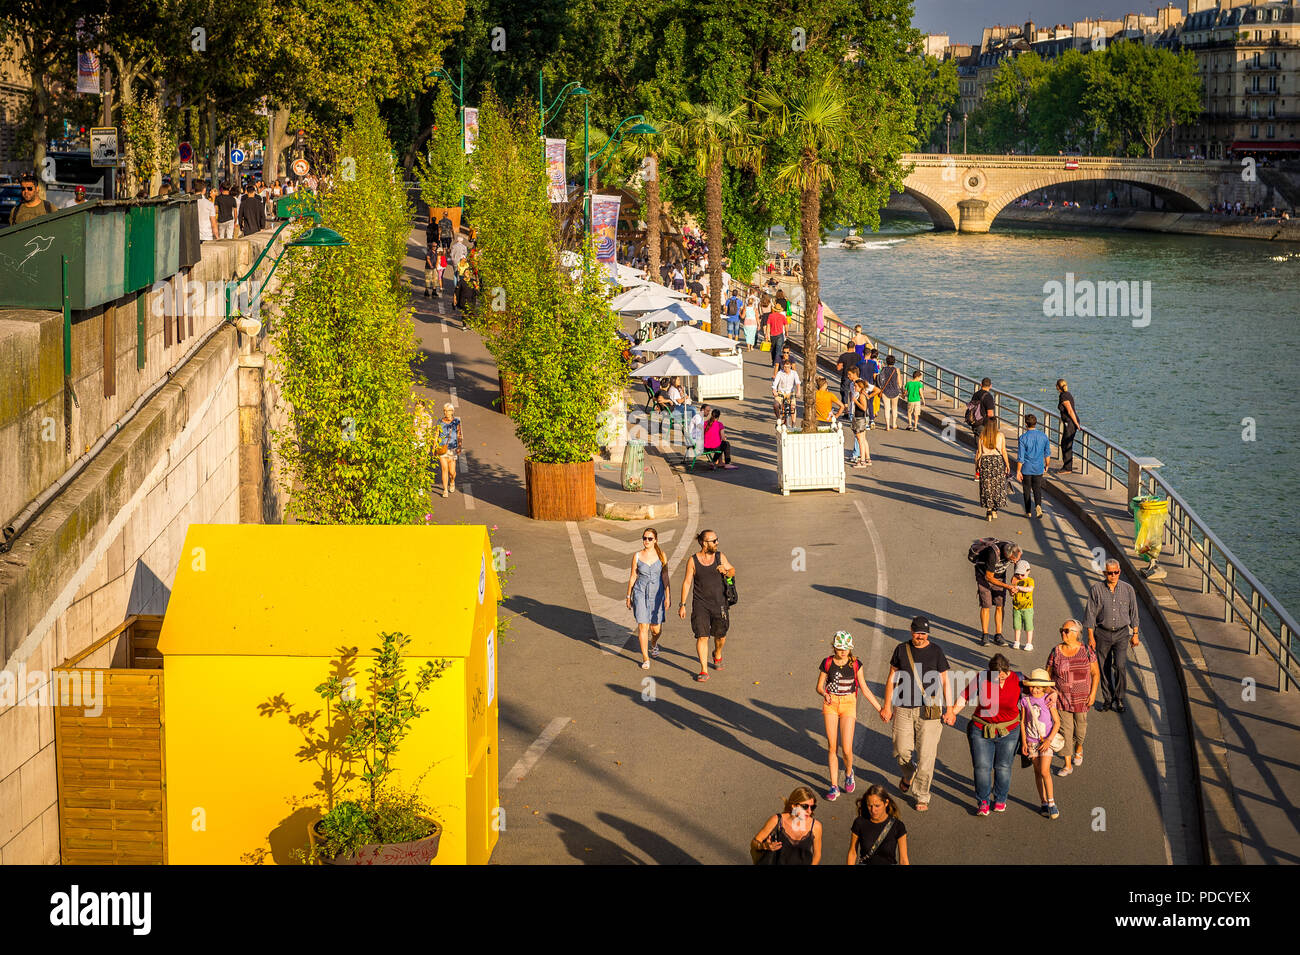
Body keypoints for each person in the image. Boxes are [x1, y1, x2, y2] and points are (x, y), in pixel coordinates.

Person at [879, 616, 955, 812]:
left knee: (926, 756)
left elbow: (946, 681)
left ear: (927, 634)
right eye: (917, 633)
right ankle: (909, 773)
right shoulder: (901, 649)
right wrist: (887, 705)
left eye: (923, 633)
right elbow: (891, 679)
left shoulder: (936, 651)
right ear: (910, 630)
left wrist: (950, 709)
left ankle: (922, 795)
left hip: (929, 711)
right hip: (903, 708)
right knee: (900, 750)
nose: (920, 637)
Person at [816, 631, 883, 801]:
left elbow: (865, 688)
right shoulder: (827, 662)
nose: (843, 651)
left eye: (846, 648)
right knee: (832, 746)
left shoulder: (856, 664)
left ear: (850, 649)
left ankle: (848, 773)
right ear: (834, 647)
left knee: (846, 749)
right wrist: (824, 693)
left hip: (848, 704)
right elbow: (818, 686)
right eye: (840, 648)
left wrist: (880, 708)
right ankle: (833, 786)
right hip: (831, 704)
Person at [954, 653, 1022, 815]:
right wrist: (953, 713)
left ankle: (1000, 799)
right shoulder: (982, 677)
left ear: (1008, 670)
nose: (1000, 679)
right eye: (997, 676)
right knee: (982, 767)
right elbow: (965, 696)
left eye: (1003, 676)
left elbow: (1037, 689)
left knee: (1003, 767)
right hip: (981, 729)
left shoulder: (1018, 678)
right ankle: (983, 801)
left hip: (1009, 730)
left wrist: (1052, 693)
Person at [1082, 558, 1140, 714]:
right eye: (1110, 573)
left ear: (1119, 572)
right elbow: (1090, 615)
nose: (1113, 575)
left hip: (1122, 634)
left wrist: (1135, 634)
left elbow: (1134, 614)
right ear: (1104, 573)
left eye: (1116, 572)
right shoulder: (1096, 590)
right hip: (1102, 634)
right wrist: (1090, 637)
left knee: (1120, 666)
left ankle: (1119, 698)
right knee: (1103, 667)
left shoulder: (1128, 589)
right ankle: (1108, 699)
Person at [678, 529, 736, 682]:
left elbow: (732, 571)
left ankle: (717, 653)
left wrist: (726, 571)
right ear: (704, 543)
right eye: (713, 541)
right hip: (700, 604)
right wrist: (682, 604)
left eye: (717, 540)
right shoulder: (693, 560)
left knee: (720, 636)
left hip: (720, 603)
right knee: (702, 636)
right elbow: (687, 582)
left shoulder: (720, 557)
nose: (717, 543)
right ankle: (703, 670)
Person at [1047, 619, 1099, 776]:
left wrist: (1093, 693)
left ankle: (1079, 747)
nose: (1063, 633)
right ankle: (1067, 764)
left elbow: (1095, 673)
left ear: (1076, 634)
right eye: (1061, 630)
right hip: (1061, 699)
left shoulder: (1087, 651)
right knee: (1065, 730)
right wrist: (1051, 691)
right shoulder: (1055, 651)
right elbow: (1048, 674)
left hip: (1082, 699)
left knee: (1080, 728)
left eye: (1066, 631)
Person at [1020, 668, 1062, 819]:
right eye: (1032, 686)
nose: (1035, 689)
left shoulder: (1048, 700)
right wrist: (1024, 742)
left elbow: (1057, 722)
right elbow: (1023, 722)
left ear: (1044, 688)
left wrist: (1049, 740)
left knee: (1045, 771)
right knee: (1037, 772)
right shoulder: (1025, 701)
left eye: (1038, 687)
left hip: (1046, 741)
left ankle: (1052, 803)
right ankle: (1043, 802)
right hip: (1031, 741)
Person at [626, 527, 671, 669]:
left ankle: (654, 643)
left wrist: (668, 596)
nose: (646, 541)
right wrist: (628, 595)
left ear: (655, 540)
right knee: (643, 626)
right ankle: (645, 658)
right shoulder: (637, 556)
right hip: (640, 593)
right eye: (644, 538)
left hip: (657, 594)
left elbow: (665, 576)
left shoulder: (662, 555)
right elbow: (633, 576)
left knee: (656, 629)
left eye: (649, 538)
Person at [751, 788, 822, 865]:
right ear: (794, 806)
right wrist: (764, 846)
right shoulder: (777, 820)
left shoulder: (815, 826)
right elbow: (755, 842)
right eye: (805, 806)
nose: (809, 811)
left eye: (812, 807)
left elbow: (817, 854)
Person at [973, 539, 1021, 647]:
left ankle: (998, 635)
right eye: (1012, 560)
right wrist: (1008, 587)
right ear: (1007, 555)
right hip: (984, 576)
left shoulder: (1015, 549)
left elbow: (1017, 563)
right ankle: (985, 635)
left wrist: (1014, 580)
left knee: (1000, 605)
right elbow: (989, 577)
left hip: (1000, 576)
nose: (1014, 562)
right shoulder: (993, 554)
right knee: (986, 605)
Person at [847, 785, 909, 865]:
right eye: (870, 806)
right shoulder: (859, 823)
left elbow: (903, 860)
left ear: (886, 803)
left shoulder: (898, 826)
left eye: (877, 806)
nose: (873, 810)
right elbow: (852, 853)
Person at [975, 416, 1010, 521]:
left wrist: (976, 465)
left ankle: (989, 510)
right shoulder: (1000, 435)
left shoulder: (982, 435)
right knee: (997, 486)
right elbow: (1003, 451)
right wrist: (1007, 464)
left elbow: (979, 453)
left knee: (987, 486)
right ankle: (995, 509)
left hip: (985, 461)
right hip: (997, 461)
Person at [1016, 412, 1051, 518]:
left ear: (1026, 424)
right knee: (1037, 488)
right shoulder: (1043, 437)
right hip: (1039, 467)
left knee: (1026, 489)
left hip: (1026, 468)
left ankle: (1028, 511)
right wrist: (1047, 465)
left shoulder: (1023, 438)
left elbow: (1021, 457)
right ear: (1035, 423)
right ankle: (1038, 506)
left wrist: (1018, 471)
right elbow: (1047, 453)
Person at [437, 403, 462, 497]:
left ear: (452, 412)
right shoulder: (440, 421)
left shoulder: (456, 421)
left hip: (452, 448)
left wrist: (459, 446)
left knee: (452, 472)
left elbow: (459, 435)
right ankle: (445, 490)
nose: (445, 412)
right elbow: (437, 434)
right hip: (442, 448)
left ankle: (452, 481)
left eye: (447, 410)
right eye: (444, 410)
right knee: (444, 469)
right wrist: (434, 446)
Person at [1009, 559, 1035, 651]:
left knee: (1028, 626)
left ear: (1028, 571)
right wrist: (1012, 592)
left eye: (1022, 574)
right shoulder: (1015, 580)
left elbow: (1030, 589)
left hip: (1027, 607)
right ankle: (1017, 641)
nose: (1020, 576)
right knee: (1017, 626)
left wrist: (1019, 587)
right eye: (1017, 574)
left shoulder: (1030, 580)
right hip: (1016, 607)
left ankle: (1029, 643)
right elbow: (1011, 593)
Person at [848, 374, 873, 467]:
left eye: (855, 386)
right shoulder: (863, 394)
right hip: (862, 418)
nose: (854, 387)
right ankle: (867, 458)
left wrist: (855, 401)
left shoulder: (861, 395)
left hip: (860, 418)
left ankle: (862, 460)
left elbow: (864, 407)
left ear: (860, 387)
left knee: (860, 440)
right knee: (863, 439)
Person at [1057, 379, 1080, 474]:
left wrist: (1076, 424)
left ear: (1058, 387)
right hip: (1070, 422)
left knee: (1066, 444)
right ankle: (1067, 466)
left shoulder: (1064, 396)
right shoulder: (1067, 394)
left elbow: (1070, 411)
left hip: (1070, 423)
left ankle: (1067, 468)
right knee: (1065, 443)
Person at [876, 354, 903, 430]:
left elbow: (881, 379)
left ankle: (887, 426)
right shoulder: (896, 370)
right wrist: (902, 391)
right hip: (895, 391)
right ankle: (894, 424)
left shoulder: (883, 369)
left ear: (887, 362)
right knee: (895, 408)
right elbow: (899, 383)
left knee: (887, 408)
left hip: (885, 391)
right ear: (894, 362)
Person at [772, 358, 801, 424]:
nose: (786, 368)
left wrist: (798, 391)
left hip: (790, 393)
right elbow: (775, 383)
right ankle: (779, 418)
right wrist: (774, 390)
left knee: (792, 407)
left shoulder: (794, 373)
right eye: (785, 367)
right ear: (783, 366)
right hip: (781, 392)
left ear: (790, 366)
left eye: (788, 367)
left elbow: (798, 383)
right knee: (775, 405)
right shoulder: (780, 373)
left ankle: (793, 423)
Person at [835, 345, 861, 411]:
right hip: (855, 377)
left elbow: (838, 368)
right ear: (854, 347)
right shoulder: (858, 356)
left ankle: (846, 410)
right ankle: (853, 410)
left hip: (846, 376)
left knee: (844, 393)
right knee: (854, 393)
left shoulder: (843, 356)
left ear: (847, 347)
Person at [767, 297, 788, 365]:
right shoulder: (782, 316)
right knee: (778, 349)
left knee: (773, 349)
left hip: (772, 335)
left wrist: (767, 335)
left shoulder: (770, 316)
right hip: (780, 334)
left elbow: (768, 326)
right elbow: (786, 325)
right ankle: (777, 362)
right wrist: (786, 332)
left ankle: (774, 361)